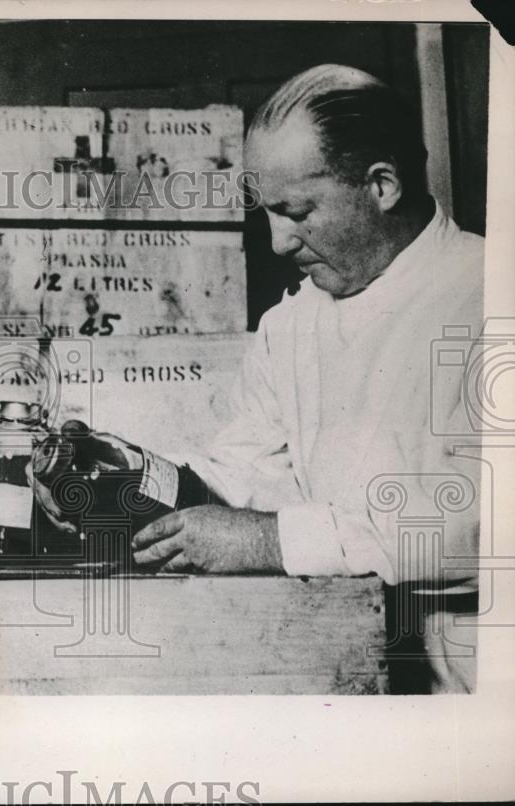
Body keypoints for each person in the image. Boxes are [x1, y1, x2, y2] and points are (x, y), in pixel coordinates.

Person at [130, 65, 483, 690]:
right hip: (342, 675)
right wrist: (123, 477)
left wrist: (273, 542)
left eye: (295, 211)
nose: (277, 242)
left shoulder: (489, 297)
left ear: (381, 185)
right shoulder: (291, 325)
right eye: (267, 212)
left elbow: (481, 526)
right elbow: (245, 469)